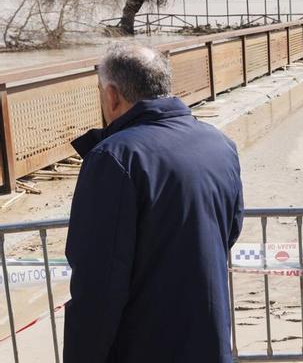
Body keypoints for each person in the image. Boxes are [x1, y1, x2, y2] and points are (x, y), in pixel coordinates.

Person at [64, 43, 244, 363]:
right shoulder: (219, 144)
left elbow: (98, 285)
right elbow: (229, 231)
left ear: (112, 95)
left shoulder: (114, 158)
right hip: (210, 342)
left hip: (145, 346)